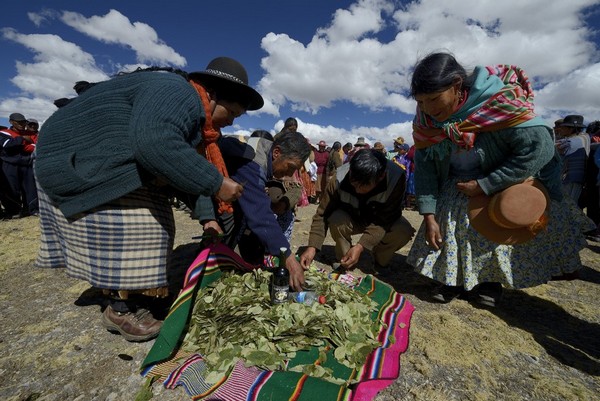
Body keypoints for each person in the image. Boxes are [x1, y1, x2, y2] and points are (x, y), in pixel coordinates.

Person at [34, 56, 260, 341]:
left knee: (156, 220)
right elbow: (157, 144)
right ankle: (121, 307)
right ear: (214, 96)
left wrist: (208, 219)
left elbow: (184, 168)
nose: (229, 123)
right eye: (233, 114)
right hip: (77, 158)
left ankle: (125, 291)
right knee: (147, 227)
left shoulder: (193, 112)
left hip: (99, 159)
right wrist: (216, 182)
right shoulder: (178, 93)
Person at [406, 52, 594, 307]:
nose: (428, 109)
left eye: (433, 99)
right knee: (450, 232)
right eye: (421, 101)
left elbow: (538, 149)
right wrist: (428, 214)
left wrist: (487, 184)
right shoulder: (426, 122)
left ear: (457, 85)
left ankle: (488, 283)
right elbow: (426, 169)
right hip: (455, 183)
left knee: (492, 234)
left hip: (498, 183)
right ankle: (450, 279)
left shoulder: (498, 105)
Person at [199, 131, 311, 291]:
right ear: (277, 152)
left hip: (226, 200)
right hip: (211, 197)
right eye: (290, 167)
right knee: (219, 237)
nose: (289, 175)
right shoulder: (253, 163)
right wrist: (288, 258)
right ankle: (205, 274)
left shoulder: (265, 155)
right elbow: (260, 215)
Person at [300, 148, 415, 276]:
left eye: (363, 186)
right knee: (337, 218)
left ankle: (380, 260)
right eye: (354, 184)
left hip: (380, 220)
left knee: (403, 230)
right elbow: (322, 214)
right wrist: (312, 247)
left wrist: (361, 246)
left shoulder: (396, 178)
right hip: (352, 217)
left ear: (381, 177)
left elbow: (385, 219)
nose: (358, 190)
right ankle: (344, 258)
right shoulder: (339, 177)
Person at [0, 112, 38, 217]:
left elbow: (36, 146)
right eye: (18, 122)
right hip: (9, 164)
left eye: (23, 122)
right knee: (11, 188)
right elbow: (6, 145)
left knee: (30, 188)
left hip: (27, 163)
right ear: (11, 122)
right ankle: (14, 211)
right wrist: (23, 139)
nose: (21, 124)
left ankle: (32, 209)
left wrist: (22, 145)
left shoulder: (31, 133)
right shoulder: (4, 133)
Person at [555, 115, 590, 203]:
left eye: (563, 127)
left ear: (571, 129)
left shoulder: (570, 142)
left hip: (568, 180)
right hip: (578, 179)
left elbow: (556, 150)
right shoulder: (585, 137)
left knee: (564, 206)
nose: (560, 129)